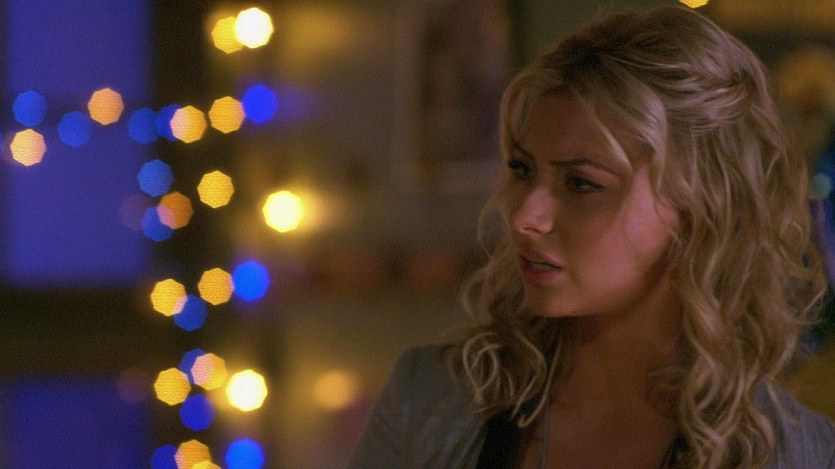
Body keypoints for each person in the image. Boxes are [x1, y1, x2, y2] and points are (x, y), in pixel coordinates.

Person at [348, 5, 835, 468]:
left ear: (700, 206)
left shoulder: (795, 454)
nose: (524, 217)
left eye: (581, 183)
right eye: (523, 169)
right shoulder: (432, 403)